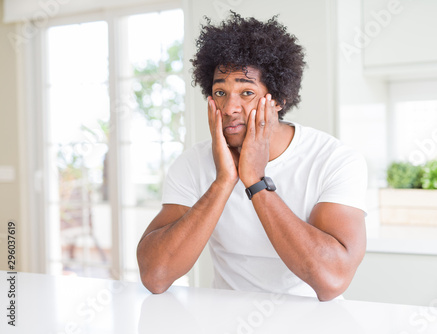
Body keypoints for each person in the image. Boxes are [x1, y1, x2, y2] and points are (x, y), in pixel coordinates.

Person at [137, 13, 367, 301]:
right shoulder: (192, 163)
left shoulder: (334, 160)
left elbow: (332, 279)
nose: (230, 107)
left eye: (246, 92)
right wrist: (223, 182)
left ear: (279, 99)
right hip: (226, 321)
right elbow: (155, 276)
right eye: (220, 91)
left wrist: (256, 182)